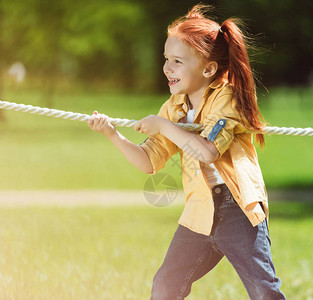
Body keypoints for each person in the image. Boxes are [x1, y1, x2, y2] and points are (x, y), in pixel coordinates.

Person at [88, 4, 286, 300]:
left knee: (263, 290)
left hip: (238, 210)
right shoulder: (174, 107)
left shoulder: (226, 97)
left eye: (178, 61)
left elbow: (208, 152)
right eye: (166, 59)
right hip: (199, 211)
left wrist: (163, 126)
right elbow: (148, 162)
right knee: (166, 285)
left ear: (208, 69)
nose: (167, 68)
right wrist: (111, 134)